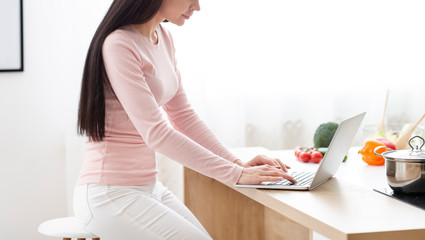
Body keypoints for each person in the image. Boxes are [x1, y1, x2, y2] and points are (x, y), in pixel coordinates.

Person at [74, 0, 296, 239]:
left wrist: (237, 163)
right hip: (109, 194)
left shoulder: (163, 38)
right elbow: (157, 134)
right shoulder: (119, 44)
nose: (197, 7)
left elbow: (183, 116)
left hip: (149, 188)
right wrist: (234, 174)